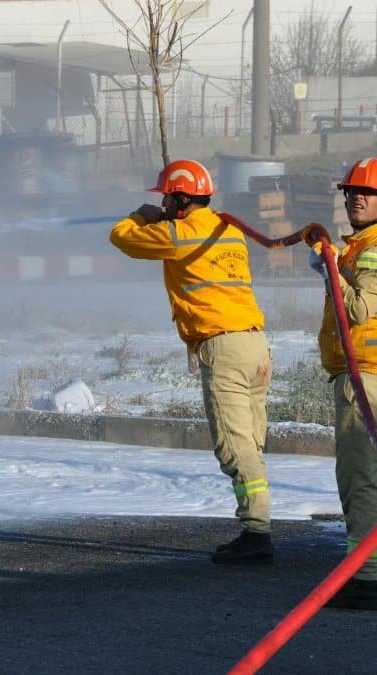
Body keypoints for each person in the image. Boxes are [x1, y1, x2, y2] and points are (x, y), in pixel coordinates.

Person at [110, 159, 274, 564]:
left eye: (166, 197)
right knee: (251, 442)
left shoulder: (181, 233)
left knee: (234, 448)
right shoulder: (229, 231)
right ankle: (257, 525)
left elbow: (122, 238)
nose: (162, 203)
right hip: (256, 346)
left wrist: (142, 215)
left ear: (181, 199)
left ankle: (257, 533)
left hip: (224, 349)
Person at [315, 157, 377, 610]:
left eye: (368, 193)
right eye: (352, 192)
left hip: (367, 381)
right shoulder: (366, 246)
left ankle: (364, 581)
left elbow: (357, 310)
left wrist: (330, 269)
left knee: (361, 482)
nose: (357, 198)